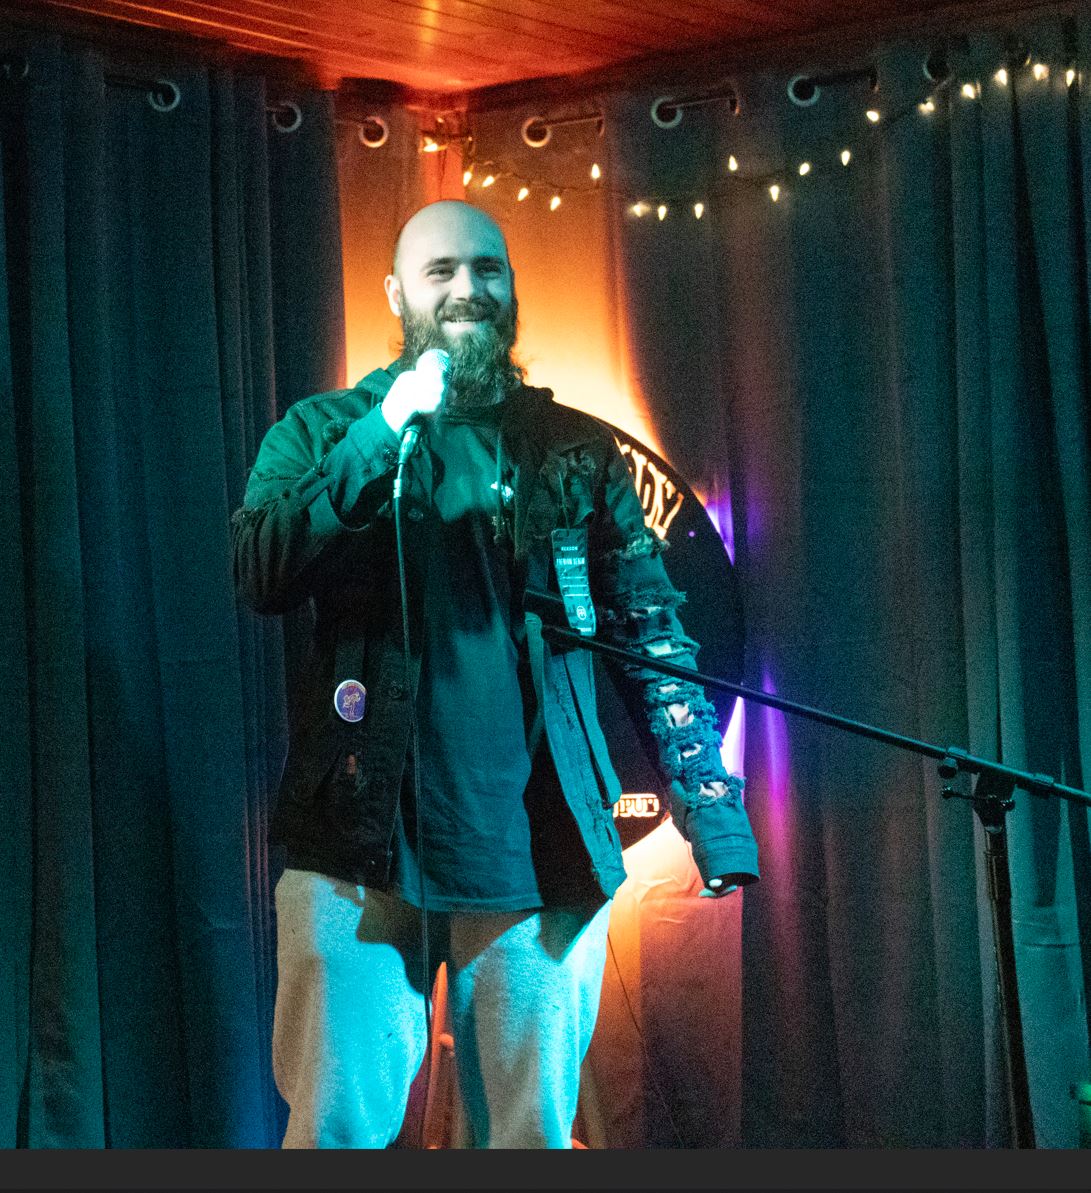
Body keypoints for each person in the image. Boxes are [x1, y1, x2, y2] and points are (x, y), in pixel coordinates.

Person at [231, 200, 759, 1149]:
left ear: (512, 290)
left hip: (537, 852)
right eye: (439, 272)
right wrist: (382, 429)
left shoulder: (576, 450)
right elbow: (262, 569)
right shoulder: (324, 432)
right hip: (356, 853)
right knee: (337, 1128)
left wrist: (711, 814)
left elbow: (652, 633)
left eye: (487, 270)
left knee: (524, 1135)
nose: (466, 289)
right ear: (398, 294)